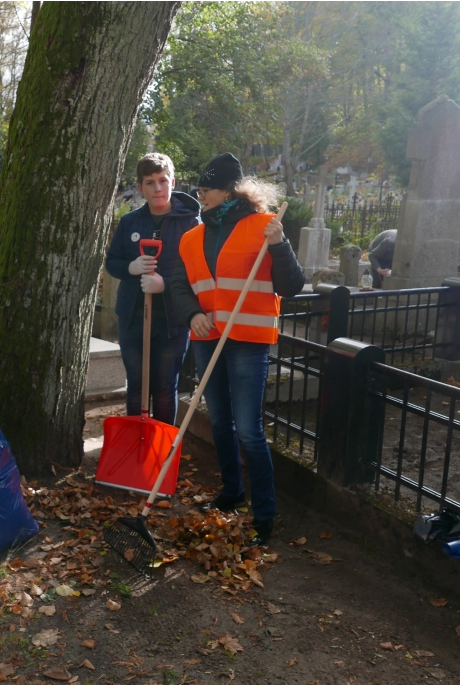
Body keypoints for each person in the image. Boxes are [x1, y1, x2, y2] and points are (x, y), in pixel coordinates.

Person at [169, 152, 305, 546]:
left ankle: (264, 514)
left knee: (248, 430)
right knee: (220, 422)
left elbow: (291, 285)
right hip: (208, 338)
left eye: (206, 188)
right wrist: (193, 314)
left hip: (248, 341)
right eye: (199, 188)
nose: (201, 195)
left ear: (228, 189)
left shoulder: (265, 227)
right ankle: (232, 492)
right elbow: (181, 284)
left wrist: (279, 246)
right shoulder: (192, 237)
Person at [104, 153, 201, 425]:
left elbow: (200, 274)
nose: (157, 189)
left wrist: (166, 284)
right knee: (136, 384)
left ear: (172, 182)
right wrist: (131, 268)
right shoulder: (130, 222)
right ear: (140, 188)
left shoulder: (191, 224)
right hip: (133, 318)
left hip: (173, 320)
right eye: (150, 183)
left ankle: (161, 449)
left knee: (164, 387)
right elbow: (112, 262)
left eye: (162, 181)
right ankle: (137, 444)